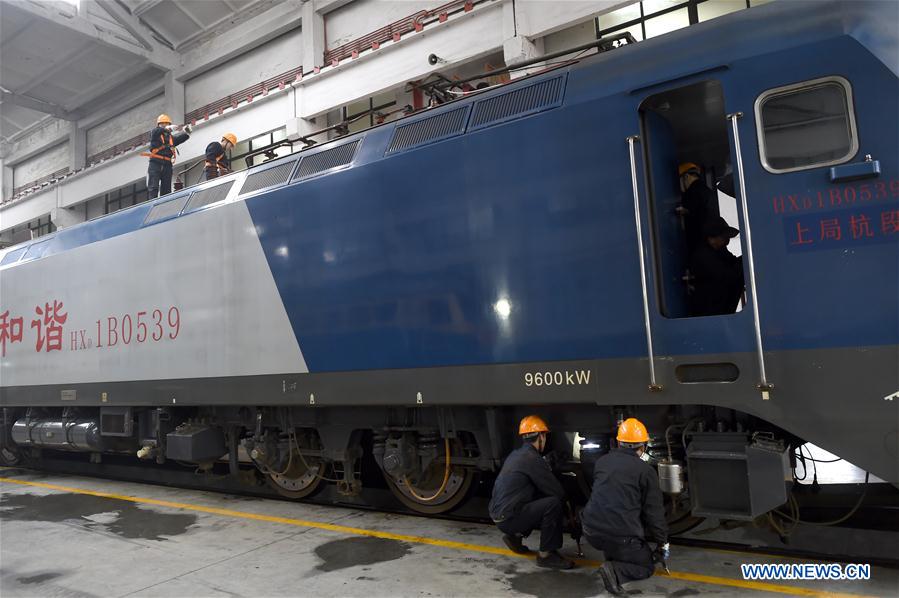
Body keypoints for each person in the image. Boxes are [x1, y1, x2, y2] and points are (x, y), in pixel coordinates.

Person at [582, 418, 668, 596]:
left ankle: (614, 557)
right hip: (619, 536)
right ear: (643, 446)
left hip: (590, 531)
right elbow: (654, 513)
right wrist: (662, 543)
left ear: (618, 442)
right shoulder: (646, 471)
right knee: (645, 566)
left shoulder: (602, 462)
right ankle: (615, 571)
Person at [488, 415, 574, 570]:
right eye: (545, 436)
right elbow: (557, 492)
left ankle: (515, 536)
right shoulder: (532, 458)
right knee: (553, 503)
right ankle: (546, 556)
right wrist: (571, 515)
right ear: (541, 436)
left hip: (498, 515)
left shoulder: (517, 454)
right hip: (509, 517)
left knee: (534, 497)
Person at [689, 216, 744, 316]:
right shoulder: (703, 256)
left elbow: (734, 262)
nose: (727, 241)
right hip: (709, 313)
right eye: (723, 237)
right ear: (711, 237)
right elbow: (728, 275)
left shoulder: (720, 250)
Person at [145, 114, 191, 198]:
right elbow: (156, 132)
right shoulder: (155, 133)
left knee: (166, 190)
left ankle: (164, 205)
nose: (165, 125)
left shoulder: (170, 138)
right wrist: (167, 128)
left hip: (167, 164)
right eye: (162, 124)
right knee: (153, 187)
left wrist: (186, 133)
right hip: (155, 163)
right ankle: (151, 204)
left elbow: (178, 139)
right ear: (158, 125)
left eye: (167, 124)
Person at [678, 162, 717, 255]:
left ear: (686, 176)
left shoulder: (692, 192)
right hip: (707, 243)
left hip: (698, 245)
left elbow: (687, 210)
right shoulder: (706, 191)